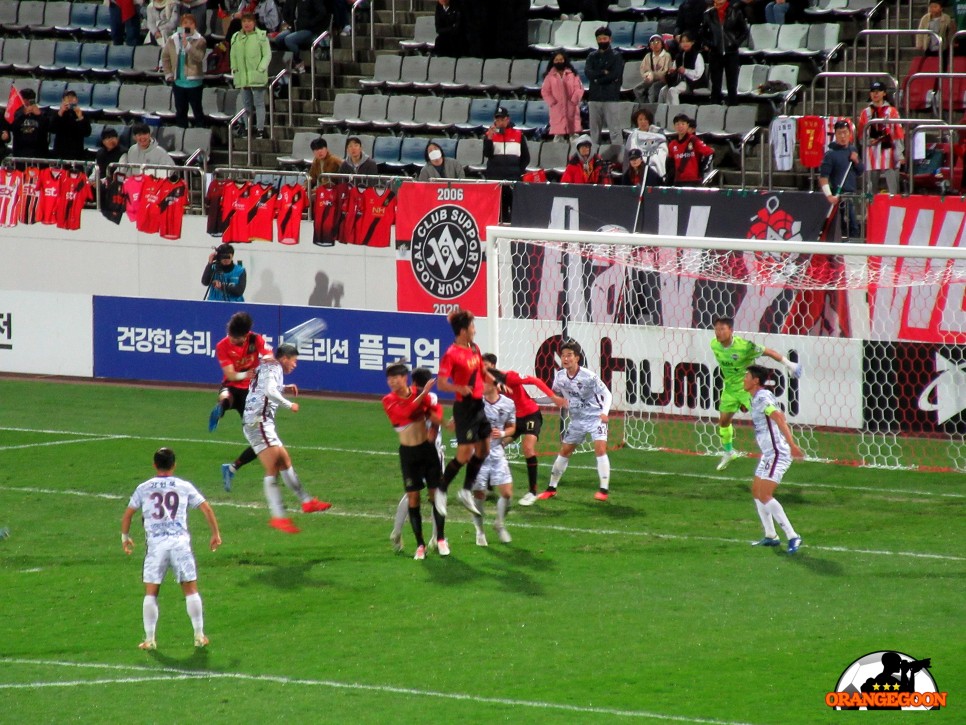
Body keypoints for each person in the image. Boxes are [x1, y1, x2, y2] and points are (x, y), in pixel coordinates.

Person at [121, 447, 222, 650]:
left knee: (151, 592)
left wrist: (125, 537)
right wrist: (215, 534)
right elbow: (206, 508)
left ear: (154, 465)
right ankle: (199, 636)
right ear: (174, 465)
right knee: (190, 590)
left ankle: (150, 640)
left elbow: (128, 514)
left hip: (156, 546)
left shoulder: (144, 487)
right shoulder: (183, 486)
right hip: (179, 544)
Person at [243, 343, 332, 534]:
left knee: (284, 460)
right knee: (273, 466)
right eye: (294, 360)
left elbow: (263, 386)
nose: (295, 365)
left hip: (259, 421)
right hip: (258, 421)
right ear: (285, 358)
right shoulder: (274, 366)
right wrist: (288, 404)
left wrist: (284, 387)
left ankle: (307, 501)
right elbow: (268, 391)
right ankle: (278, 516)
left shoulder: (268, 365)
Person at [709, 316, 803, 471]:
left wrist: (790, 365)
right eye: (716, 329)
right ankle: (729, 452)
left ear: (731, 331)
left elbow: (769, 352)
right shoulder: (714, 345)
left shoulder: (745, 346)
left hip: (747, 390)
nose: (718, 333)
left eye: (722, 329)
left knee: (767, 417)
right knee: (724, 422)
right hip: (730, 391)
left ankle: (783, 448)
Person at [436, 309, 495, 532]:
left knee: (484, 449)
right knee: (464, 454)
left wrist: (496, 381)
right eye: (472, 327)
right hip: (465, 408)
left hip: (479, 405)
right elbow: (442, 383)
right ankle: (441, 490)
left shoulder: (475, 348)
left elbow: (482, 371)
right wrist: (458, 387)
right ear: (463, 331)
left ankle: (465, 490)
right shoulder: (451, 354)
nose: (475, 330)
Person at [382, 361, 447, 560]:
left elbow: (436, 413)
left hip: (429, 450)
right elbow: (405, 413)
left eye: (396, 377)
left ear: (407, 379)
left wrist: (438, 427)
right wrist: (423, 394)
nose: (392, 382)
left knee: (434, 495)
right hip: (412, 453)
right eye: (390, 379)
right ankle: (424, 542)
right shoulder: (391, 400)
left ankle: (439, 538)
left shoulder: (425, 396)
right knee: (415, 496)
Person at [482, 353, 565, 506]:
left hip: (530, 415)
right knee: (492, 446)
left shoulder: (509, 377)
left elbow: (535, 380)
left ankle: (532, 492)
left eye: (486, 365)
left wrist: (554, 397)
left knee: (527, 448)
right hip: (512, 419)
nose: (483, 369)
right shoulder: (485, 382)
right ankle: (488, 487)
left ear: (493, 366)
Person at [535, 339, 613, 502]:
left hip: (595, 417)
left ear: (577, 358)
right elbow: (554, 398)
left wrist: (604, 413)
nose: (565, 358)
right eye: (563, 355)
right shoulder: (560, 377)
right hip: (577, 420)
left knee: (600, 449)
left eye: (569, 355)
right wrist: (533, 400)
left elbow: (607, 394)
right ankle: (551, 488)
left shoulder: (589, 376)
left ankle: (603, 490)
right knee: (565, 451)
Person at [743, 366, 803, 554]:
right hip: (769, 453)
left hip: (777, 453)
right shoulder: (757, 397)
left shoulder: (762, 397)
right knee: (756, 491)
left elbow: (778, 416)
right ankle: (771, 536)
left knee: (765, 494)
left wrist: (792, 445)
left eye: (747, 376)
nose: (744, 379)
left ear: (755, 381)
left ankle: (793, 536)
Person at [209, 311, 271, 490]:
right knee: (227, 392)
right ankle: (221, 407)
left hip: (251, 393)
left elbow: (268, 356)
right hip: (233, 385)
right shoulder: (222, 346)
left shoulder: (255, 340)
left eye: (237, 338)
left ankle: (231, 468)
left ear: (246, 335)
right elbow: (230, 374)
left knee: (260, 441)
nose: (232, 340)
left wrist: (268, 363)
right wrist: (247, 373)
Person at [468, 374, 516, 546]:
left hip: (496, 452)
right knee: (479, 494)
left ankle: (499, 524)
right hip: (478, 453)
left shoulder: (508, 404)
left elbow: (512, 427)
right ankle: (479, 531)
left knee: (507, 493)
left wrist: (502, 434)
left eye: (485, 382)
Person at [857, 81, 904, 195]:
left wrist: (899, 153)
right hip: (871, 151)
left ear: (884, 93)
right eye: (873, 91)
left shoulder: (892, 111)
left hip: (889, 150)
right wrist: (867, 142)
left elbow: (898, 133)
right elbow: (860, 134)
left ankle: (893, 206)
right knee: (871, 188)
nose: (875, 94)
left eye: (878, 91)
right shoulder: (865, 113)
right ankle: (870, 208)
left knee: (893, 187)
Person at [819, 119, 864, 240]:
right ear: (835, 135)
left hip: (852, 195)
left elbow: (860, 170)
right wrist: (829, 196)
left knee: (854, 227)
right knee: (843, 227)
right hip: (839, 197)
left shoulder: (853, 150)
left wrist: (856, 161)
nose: (843, 136)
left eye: (845, 132)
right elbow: (823, 177)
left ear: (850, 133)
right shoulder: (831, 154)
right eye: (840, 133)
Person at [162, 13, 207, 129]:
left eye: (190, 23)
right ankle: (182, 135)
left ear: (194, 25)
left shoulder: (200, 40)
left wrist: (187, 46)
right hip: (178, 82)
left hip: (194, 83)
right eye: (185, 23)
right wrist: (168, 73)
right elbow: (165, 57)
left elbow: (199, 57)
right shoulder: (172, 39)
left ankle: (200, 134)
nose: (188, 25)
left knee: (197, 111)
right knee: (181, 111)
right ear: (181, 25)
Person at [231, 12, 271, 139]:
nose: (246, 24)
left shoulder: (262, 36)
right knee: (246, 104)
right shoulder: (236, 37)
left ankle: (260, 129)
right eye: (244, 21)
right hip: (243, 76)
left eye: (249, 21)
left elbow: (267, 55)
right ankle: (248, 128)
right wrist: (234, 68)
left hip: (257, 75)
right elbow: (233, 55)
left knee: (259, 103)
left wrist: (261, 68)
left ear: (254, 22)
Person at [701, 0, 747, 106]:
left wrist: (736, 43)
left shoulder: (735, 12)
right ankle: (715, 109)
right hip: (715, 53)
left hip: (732, 52)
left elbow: (744, 31)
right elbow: (702, 33)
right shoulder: (708, 14)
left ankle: (733, 108)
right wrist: (711, 44)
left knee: (732, 84)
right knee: (716, 85)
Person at [584, 26, 625, 145]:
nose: (602, 41)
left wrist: (598, 79)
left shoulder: (616, 56)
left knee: (615, 130)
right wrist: (602, 72)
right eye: (600, 39)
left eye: (604, 38)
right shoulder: (591, 56)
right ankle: (593, 156)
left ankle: (618, 156)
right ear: (596, 40)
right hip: (594, 97)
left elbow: (614, 75)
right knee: (594, 131)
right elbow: (588, 73)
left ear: (610, 39)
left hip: (611, 97)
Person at [274, 0, 330, 73]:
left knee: (289, 39)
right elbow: (285, 13)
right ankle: (289, 62)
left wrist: (310, 23)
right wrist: (291, 22)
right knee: (279, 39)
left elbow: (322, 13)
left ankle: (298, 63)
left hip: (309, 29)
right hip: (295, 28)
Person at [540, 51, 585, 140]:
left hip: (571, 108)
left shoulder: (573, 75)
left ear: (565, 60)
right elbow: (545, 91)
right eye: (556, 60)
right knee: (558, 136)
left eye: (561, 59)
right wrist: (553, 102)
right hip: (557, 109)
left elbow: (579, 89)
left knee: (574, 137)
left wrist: (573, 101)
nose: (559, 62)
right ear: (553, 61)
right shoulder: (549, 77)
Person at [483, 106, 530, 180]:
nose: (500, 122)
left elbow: (526, 157)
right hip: (494, 177)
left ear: (507, 119)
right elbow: (487, 154)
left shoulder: (518, 135)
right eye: (498, 120)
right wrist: (489, 138)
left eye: (502, 119)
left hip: (513, 177)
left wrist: (518, 172)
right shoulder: (489, 135)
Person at [623, 107, 668, 185]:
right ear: (636, 121)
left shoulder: (658, 134)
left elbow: (663, 151)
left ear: (649, 121)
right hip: (637, 167)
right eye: (640, 119)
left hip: (654, 168)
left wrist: (650, 159)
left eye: (645, 119)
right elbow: (630, 154)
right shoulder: (633, 136)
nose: (643, 122)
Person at [667, 113, 713, 186]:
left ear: (687, 125)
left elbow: (710, 153)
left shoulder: (694, 140)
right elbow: (670, 164)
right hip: (678, 181)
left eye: (683, 124)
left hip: (694, 181)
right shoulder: (672, 144)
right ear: (674, 126)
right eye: (678, 124)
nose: (680, 126)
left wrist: (703, 169)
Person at [661, 31, 705, 105]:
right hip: (678, 81)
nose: (685, 44)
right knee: (663, 90)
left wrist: (685, 71)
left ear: (692, 42)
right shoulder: (679, 56)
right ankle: (663, 111)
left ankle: (674, 111)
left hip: (691, 82)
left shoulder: (697, 55)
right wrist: (672, 71)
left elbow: (698, 74)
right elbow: (674, 68)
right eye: (683, 42)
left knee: (672, 90)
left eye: (687, 41)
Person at [49, 91, 92, 162]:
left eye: (73, 97)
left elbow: (87, 133)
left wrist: (80, 117)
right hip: (60, 154)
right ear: (63, 100)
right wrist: (60, 113)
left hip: (76, 154)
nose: (70, 99)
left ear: (77, 100)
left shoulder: (83, 115)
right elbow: (51, 129)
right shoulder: (56, 114)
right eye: (68, 98)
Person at [8, 89, 51, 160]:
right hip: (20, 153)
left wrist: (39, 115)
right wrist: (23, 115)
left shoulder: (43, 114)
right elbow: (13, 129)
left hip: (39, 154)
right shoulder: (17, 113)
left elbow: (48, 129)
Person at [634, 34, 674, 105]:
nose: (655, 45)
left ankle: (651, 106)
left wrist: (653, 74)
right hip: (649, 79)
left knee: (652, 88)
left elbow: (665, 71)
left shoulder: (666, 56)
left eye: (657, 42)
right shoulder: (648, 56)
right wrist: (646, 76)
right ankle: (644, 105)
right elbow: (643, 70)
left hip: (662, 80)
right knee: (637, 89)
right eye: (652, 43)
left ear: (662, 44)